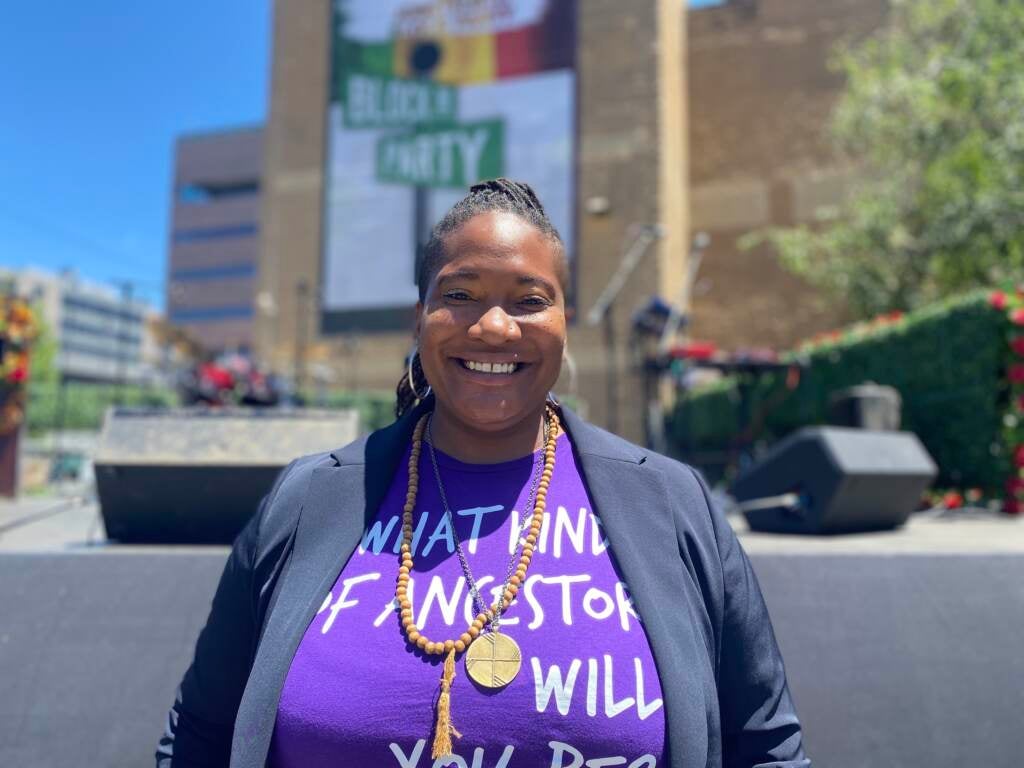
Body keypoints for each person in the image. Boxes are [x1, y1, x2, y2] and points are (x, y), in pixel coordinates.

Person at [156, 179, 809, 768]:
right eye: (460, 295)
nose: (494, 327)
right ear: (420, 318)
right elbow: (200, 737)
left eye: (529, 300)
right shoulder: (306, 501)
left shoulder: (671, 504)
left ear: (563, 324)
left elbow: (765, 744)